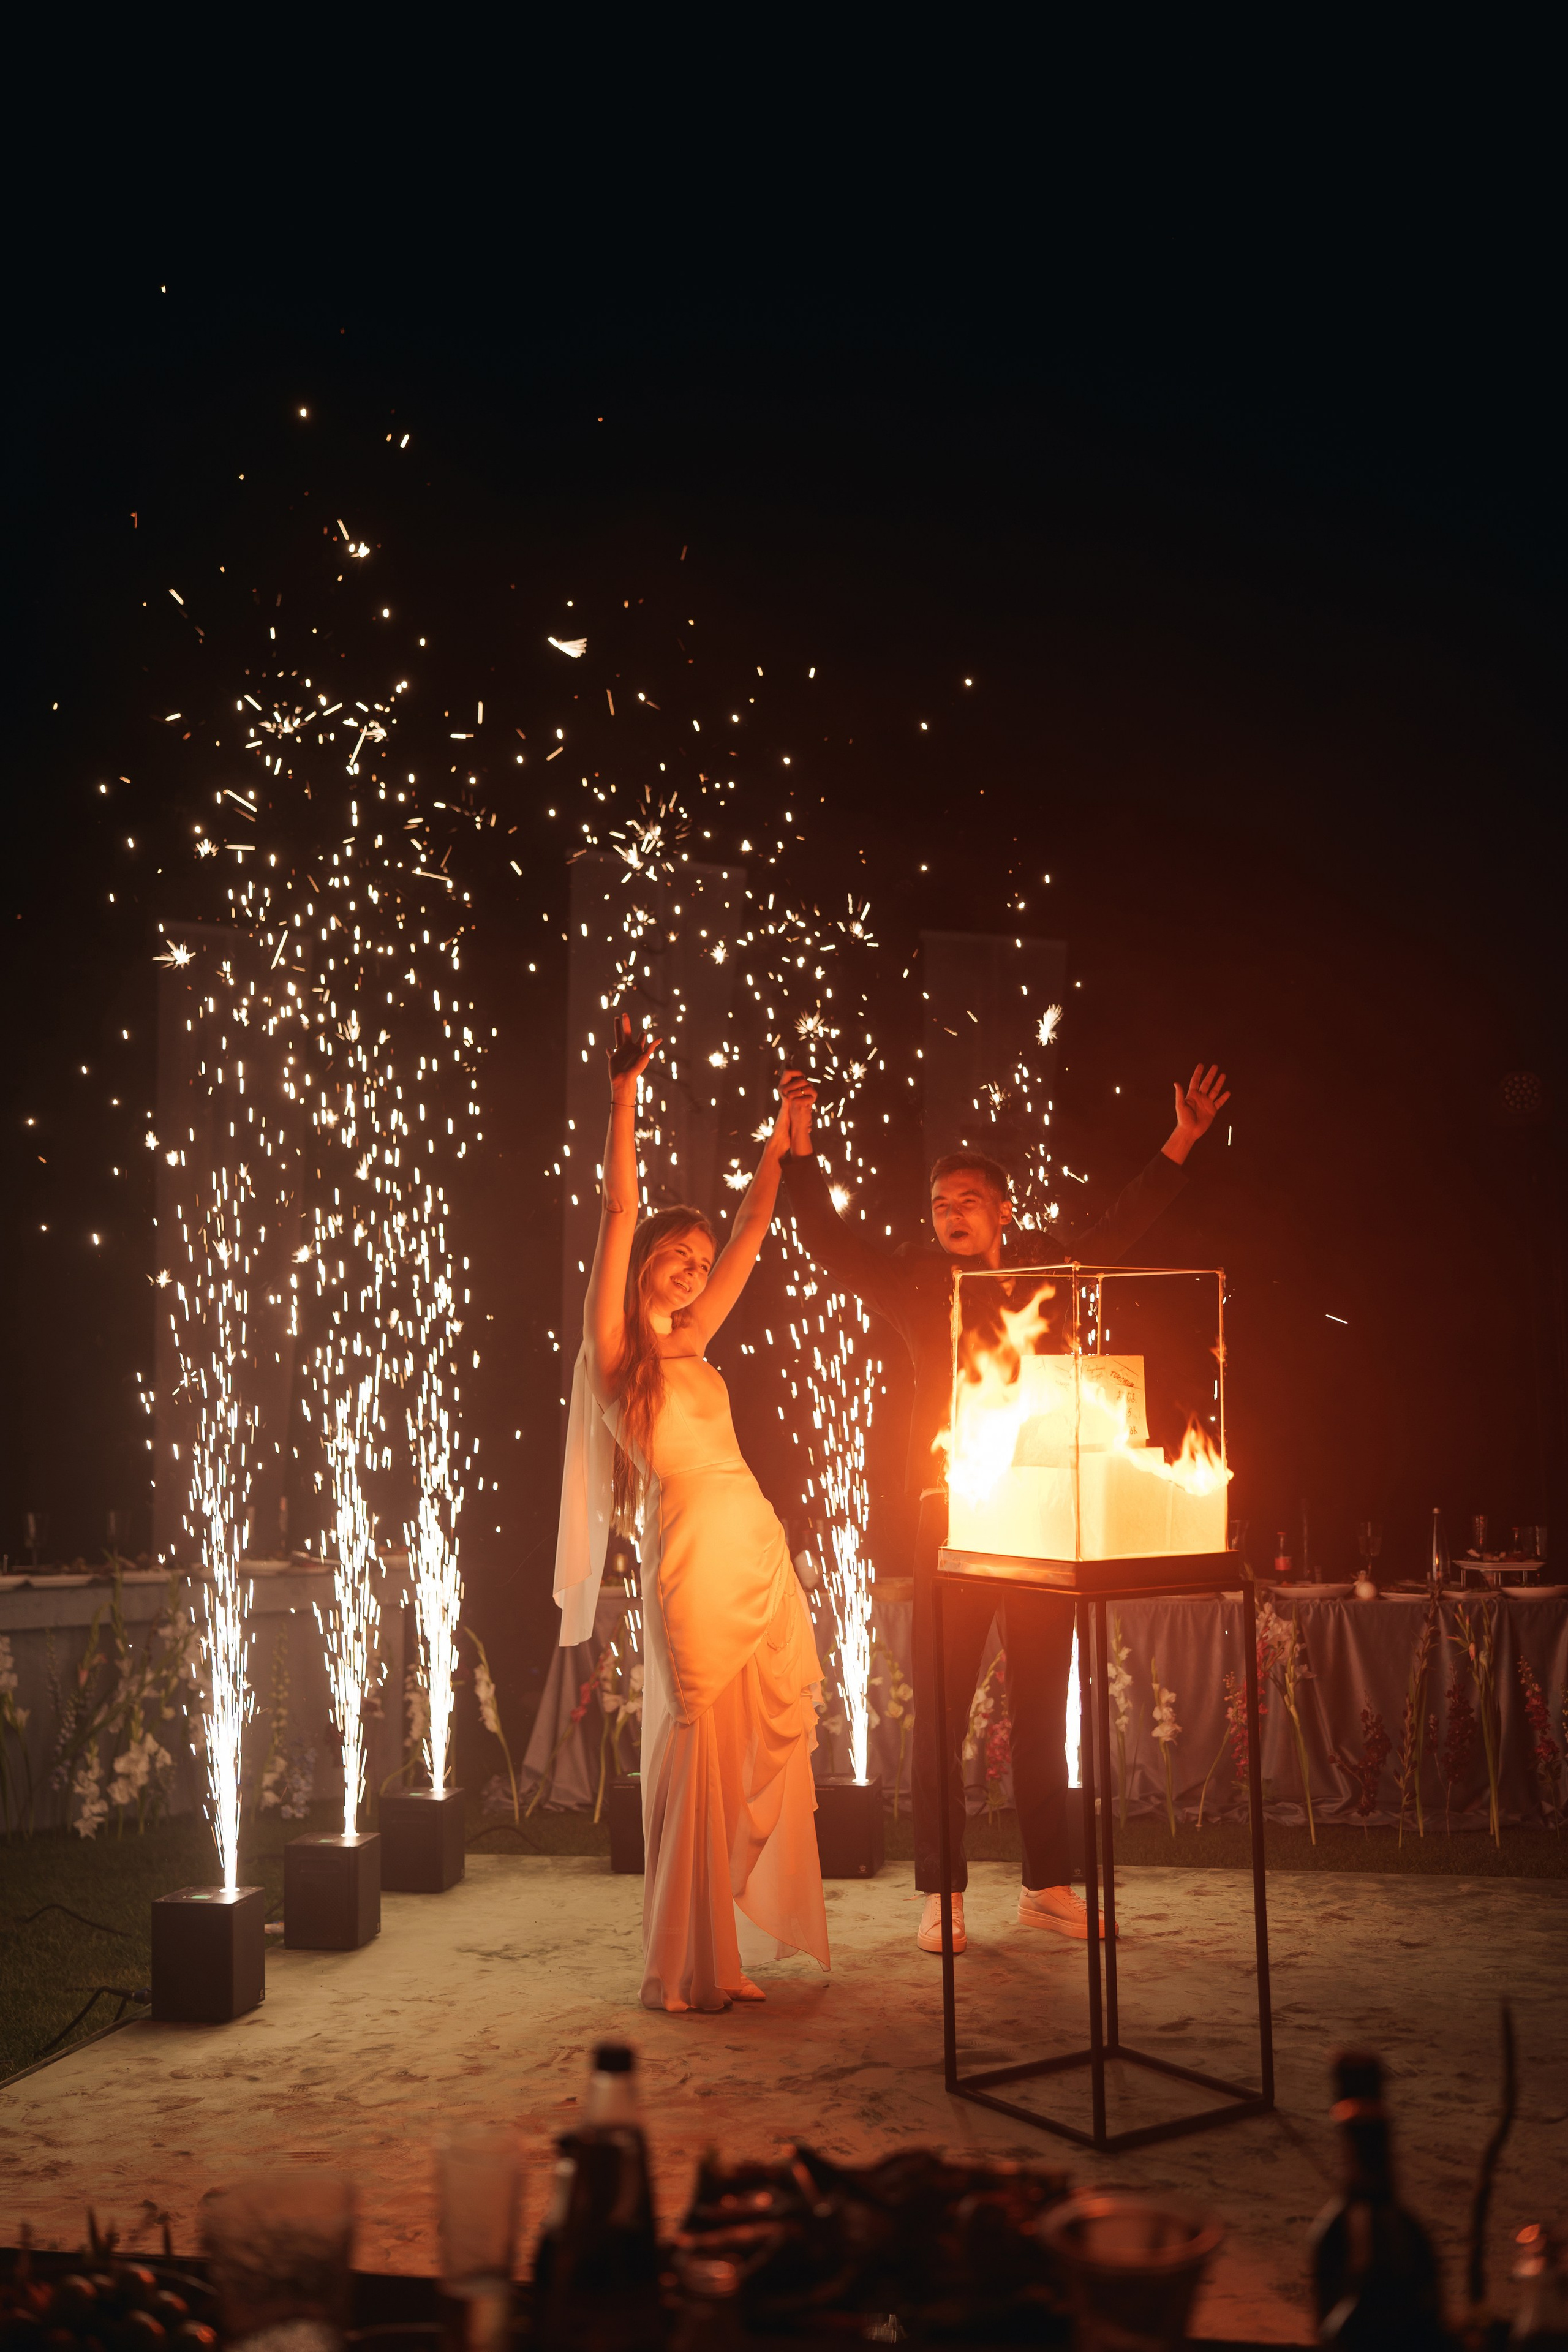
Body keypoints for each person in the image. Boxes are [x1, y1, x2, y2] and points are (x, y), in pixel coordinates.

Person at [779, 1063, 1231, 1954]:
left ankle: (1046, 1887)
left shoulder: (1043, 1278)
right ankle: (942, 1897)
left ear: (1002, 1213)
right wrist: (800, 1150)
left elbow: (1121, 1223)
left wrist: (1181, 1137)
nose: (954, 1210)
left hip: (1039, 1514)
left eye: (972, 1198)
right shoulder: (914, 1282)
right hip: (951, 1513)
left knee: (1040, 1704)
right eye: (942, 1199)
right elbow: (830, 1243)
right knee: (942, 1716)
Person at [553, 1011, 831, 2013]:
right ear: (648, 1264)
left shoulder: (699, 1340)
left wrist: (778, 1140)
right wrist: (623, 1096)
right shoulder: (620, 1356)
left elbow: (756, 1228)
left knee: (743, 1743)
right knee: (692, 1737)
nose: (696, 1269)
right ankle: (680, 1964)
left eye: (701, 1262)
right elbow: (618, 1213)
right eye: (680, 1256)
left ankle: (723, 1958)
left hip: (752, 1542)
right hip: (687, 1555)